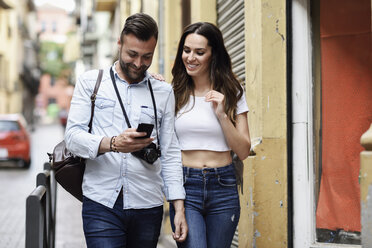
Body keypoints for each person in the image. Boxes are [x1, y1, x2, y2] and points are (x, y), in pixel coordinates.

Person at [65, 13, 187, 248]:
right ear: (119, 43)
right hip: (101, 203)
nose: (139, 63)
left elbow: (171, 153)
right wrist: (112, 143)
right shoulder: (91, 82)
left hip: (148, 205)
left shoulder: (163, 92)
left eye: (147, 57)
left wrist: (177, 207)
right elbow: (72, 138)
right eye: (132, 54)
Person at [169, 22, 251, 248]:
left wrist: (222, 115)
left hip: (223, 186)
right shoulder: (173, 93)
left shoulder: (233, 91)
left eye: (199, 52)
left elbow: (243, 150)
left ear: (213, 54)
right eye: (186, 50)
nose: (190, 58)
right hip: (186, 186)